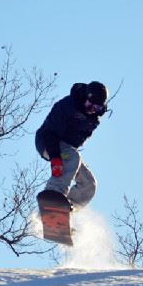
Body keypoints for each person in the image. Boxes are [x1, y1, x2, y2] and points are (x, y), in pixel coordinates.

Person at [35, 81, 108, 209]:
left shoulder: (92, 120)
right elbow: (50, 133)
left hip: (67, 149)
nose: (92, 110)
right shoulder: (68, 106)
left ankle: (65, 213)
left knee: (89, 184)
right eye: (91, 104)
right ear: (85, 97)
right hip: (48, 141)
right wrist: (56, 157)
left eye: (97, 108)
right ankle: (53, 196)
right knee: (74, 157)